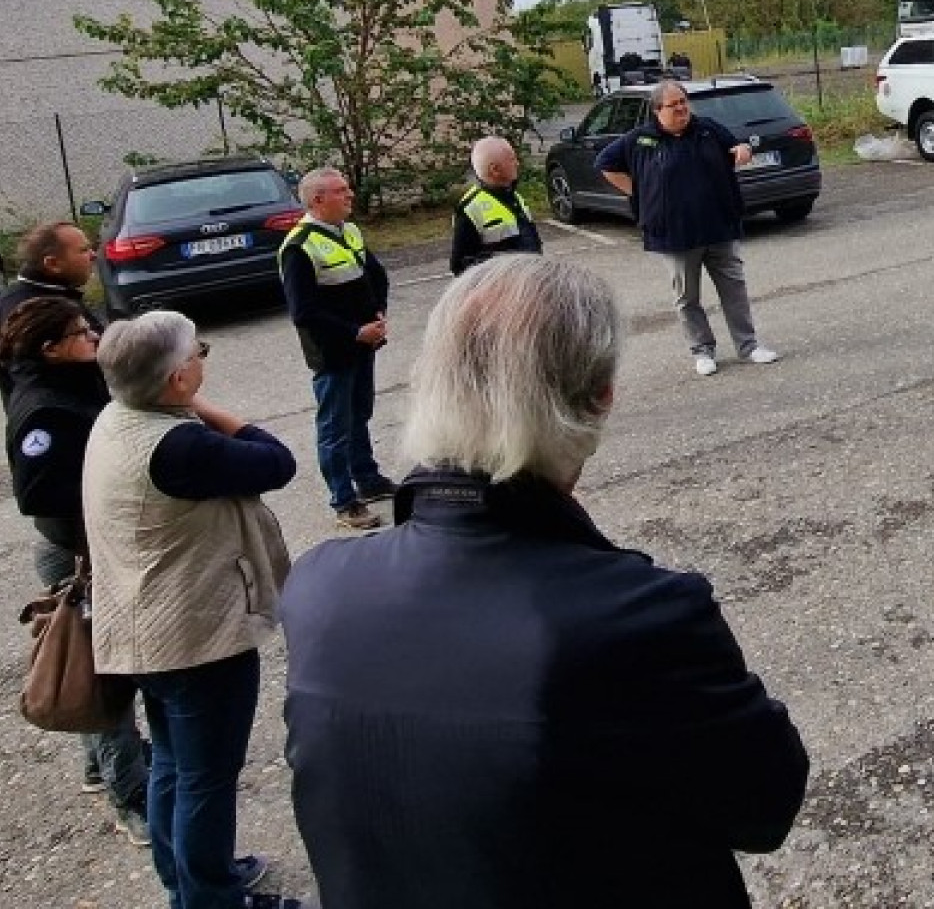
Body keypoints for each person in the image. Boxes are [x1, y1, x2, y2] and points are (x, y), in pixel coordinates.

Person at [280, 256, 809, 907]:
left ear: (432, 382)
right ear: (602, 396)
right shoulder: (637, 615)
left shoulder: (318, 590)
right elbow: (765, 804)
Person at [82, 311, 299, 909]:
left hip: (143, 630)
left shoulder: (116, 418)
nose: (204, 359)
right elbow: (276, 461)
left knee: (176, 766)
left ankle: (188, 878)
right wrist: (214, 412)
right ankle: (210, 898)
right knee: (205, 775)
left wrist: (188, 409)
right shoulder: (180, 447)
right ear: (179, 380)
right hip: (196, 638)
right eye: (199, 353)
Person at [0, 296, 150, 845]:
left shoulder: (72, 385)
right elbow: (38, 493)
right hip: (78, 556)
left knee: (100, 672)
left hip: (94, 547)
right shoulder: (44, 407)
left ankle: (101, 766)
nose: (93, 337)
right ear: (51, 348)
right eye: (82, 333)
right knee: (100, 681)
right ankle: (130, 797)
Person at [596, 79, 782, 377]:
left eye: (684, 101)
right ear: (658, 110)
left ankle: (748, 346)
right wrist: (638, 191)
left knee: (734, 290)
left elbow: (736, 145)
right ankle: (702, 351)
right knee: (687, 298)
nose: (682, 108)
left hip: (719, 226)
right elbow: (604, 163)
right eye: (674, 104)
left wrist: (743, 150)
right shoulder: (639, 140)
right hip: (675, 236)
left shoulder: (706, 129)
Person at [279, 168, 396, 530]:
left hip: (364, 343)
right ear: (317, 200)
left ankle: (368, 478)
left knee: (360, 413)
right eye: (340, 191)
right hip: (333, 353)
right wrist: (354, 332)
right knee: (335, 426)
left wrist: (379, 312)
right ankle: (344, 501)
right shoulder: (299, 247)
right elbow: (304, 312)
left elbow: (374, 275)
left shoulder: (349, 230)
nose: (350, 196)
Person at [0, 220, 101, 404]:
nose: (93, 255)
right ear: (53, 263)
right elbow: (30, 380)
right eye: (83, 250)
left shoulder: (56, 294)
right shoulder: (31, 312)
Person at [448, 135, 542, 275]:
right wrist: (504, 266)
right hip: (506, 288)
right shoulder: (470, 208)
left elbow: (530, 239)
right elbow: (460, 265)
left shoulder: (514, 196)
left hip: (529, 281)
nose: (517, 163)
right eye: (512, 159)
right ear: (495, 170)